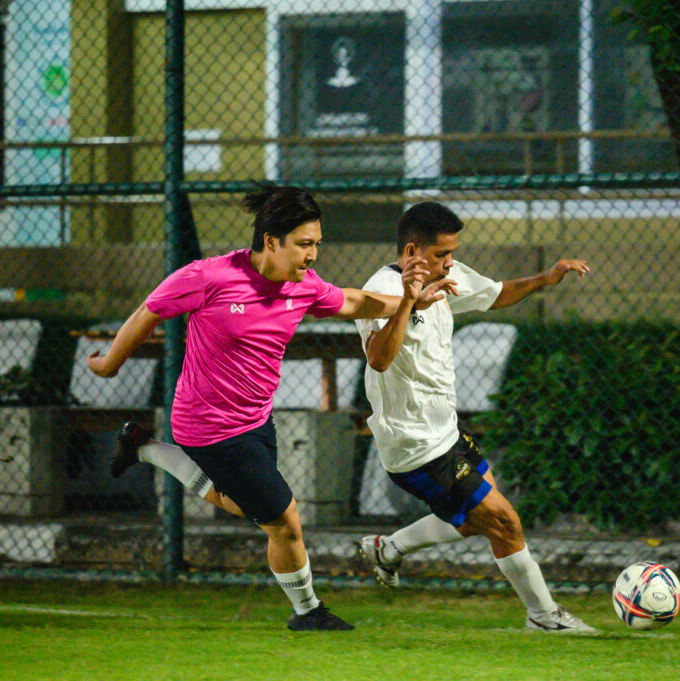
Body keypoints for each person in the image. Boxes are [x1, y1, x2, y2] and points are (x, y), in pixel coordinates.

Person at [88, 183, 450, 631]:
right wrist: (108, 365)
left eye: (317, 244)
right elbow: (149, 311)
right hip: (207, 425)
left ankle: (144, 448)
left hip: (257, 421)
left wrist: (412, 299)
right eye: (303, 244)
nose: (313, 254)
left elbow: (356, 301)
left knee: (244, 504)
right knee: (284, 520)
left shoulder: (304, 287)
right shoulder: (210, 277)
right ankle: (308, 613)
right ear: (271, 241)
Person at [355, 201, 595, 633]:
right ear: (412, 252)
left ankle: (388, 549)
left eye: (451, 253)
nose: (450, 262)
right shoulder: (381, 291)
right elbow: (378, 359)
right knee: (504, 521)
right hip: (414, 445)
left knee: (474, 518)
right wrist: (409, 302)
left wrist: (546, 278)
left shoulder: (446, 275)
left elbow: (495, 293)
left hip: (445, 432)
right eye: (442, 254)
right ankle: (544, 615)